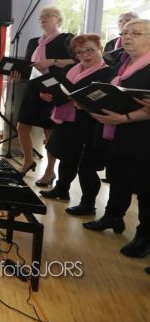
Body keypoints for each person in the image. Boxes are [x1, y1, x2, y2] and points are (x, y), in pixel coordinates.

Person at [85, 19, 150, 261]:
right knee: (118, 176)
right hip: (116, 132)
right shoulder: (122, 65)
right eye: (125, 32)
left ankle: (145, 236)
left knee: (144, 187)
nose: (128, 37)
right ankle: (113, 216)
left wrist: (124, 118)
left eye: (136, 33)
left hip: (142, 136)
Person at [38, 35, 113, 212]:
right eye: (80, 52)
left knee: (87, 167)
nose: (85, 55)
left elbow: (106, 98)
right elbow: (60, 88)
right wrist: (47, 95)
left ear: (100, 49)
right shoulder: (72, 69)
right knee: (66, 157)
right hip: (69, 120)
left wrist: (82, 101)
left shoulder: (108, 73)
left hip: (92, 123)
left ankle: (88, 204)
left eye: (90, 50)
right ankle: (61, 189)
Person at [14, 7, 75, 185]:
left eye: (48, 15)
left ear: (59, 20)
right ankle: (28, 160)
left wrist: (53, 62)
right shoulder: (34, 42)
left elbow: (76, 61)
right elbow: (28, 66)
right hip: (33, 87)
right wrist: (18, 73)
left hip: (53, 88)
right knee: (22, 126)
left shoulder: (67, 39)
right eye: (41, 16)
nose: (43, 18)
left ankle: (50, 170)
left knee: (49, 132)